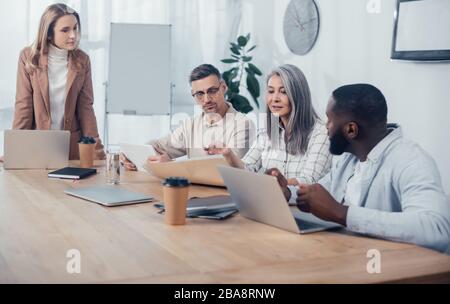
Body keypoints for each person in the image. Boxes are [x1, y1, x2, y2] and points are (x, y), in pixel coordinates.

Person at [274, 83, 450, 253]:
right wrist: (287, 192)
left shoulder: (411, 159)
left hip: (389, 269)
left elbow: (436, 228)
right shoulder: (350, 158)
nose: (325, 127)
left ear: (351, 130)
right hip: (349, 255)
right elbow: (321, 191)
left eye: (329, 120)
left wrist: (342, 213)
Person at [207, 64, 331, 201]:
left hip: (303, 209)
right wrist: (228, 153)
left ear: (299, 96)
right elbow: (248, 168)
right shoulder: (269, 130)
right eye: (271, 91)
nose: (275, 98)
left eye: (283, 92)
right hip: (270, 204)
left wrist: (268, 183)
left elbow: (308, 180)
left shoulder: (321, 134)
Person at [12, 3, 105, 160]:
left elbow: (85, 108)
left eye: (75, 28)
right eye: (65, 30)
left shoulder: (83, 60)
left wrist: (98, 152)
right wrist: (14, 150)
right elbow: (24, 107)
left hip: (72, 150)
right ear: (48, 33)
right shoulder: (28, 57)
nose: (73, 35)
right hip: (37, 148)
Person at [122, 64, 254, 170]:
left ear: (223, 88)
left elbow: (232, 171)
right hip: (195, 194)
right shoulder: (190, 125)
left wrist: (171, 166)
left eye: (212, 91)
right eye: (199, 94)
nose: (206, 99)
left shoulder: (243, 124)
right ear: (193, 94)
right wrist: (131, 155)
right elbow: (158, 145)